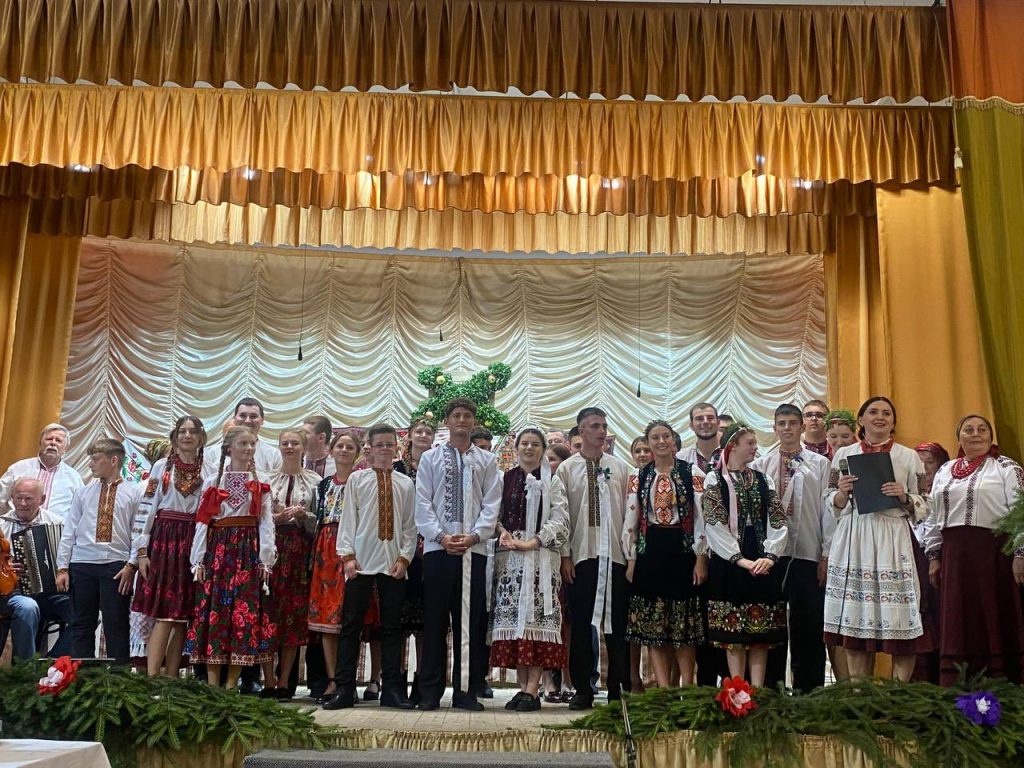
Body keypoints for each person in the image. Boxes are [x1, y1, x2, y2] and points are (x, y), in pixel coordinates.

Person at [823, 396, 932, 681]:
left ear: (893, 421)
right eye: (873, 412)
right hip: (854, 535)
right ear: (861, 419)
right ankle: (860, 694)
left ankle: (897, 695)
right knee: (857, 620)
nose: (880, 417)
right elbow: (829, 499)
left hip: (892, 536)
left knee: (900, 618)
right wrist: (842, 493)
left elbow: (926, 503)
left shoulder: (908, 456)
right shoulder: (844, 453)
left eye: (886, 413)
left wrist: (904, 496)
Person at [415, 398, 502, 711]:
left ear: (474, 421)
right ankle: (429, 692)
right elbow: (422, 501)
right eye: (456, 415)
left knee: (469, 623)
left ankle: (465, 691)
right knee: (435, 621)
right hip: (438, 550)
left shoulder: (487, 461)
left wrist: (475, 535)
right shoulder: (430, 458)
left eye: (467, 415)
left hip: (473, 550)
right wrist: (440, 536)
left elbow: (491, 503)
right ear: (447, 421)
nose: (462, 420)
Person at [926, 415, 1024, 686]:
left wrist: (1020, 553)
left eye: (982, 429)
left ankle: (1000, 682)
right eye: (968, 430)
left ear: (991, 436)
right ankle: (957, 683)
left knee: (991, 615)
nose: (975, 434)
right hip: (954, 556)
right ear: (959, 438)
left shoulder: (1005, 467)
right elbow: (934, 514)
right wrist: (934, 556)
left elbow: (1020, 511)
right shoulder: (946, 470)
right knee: (958, 617)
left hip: (994, 554)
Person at [326, 424, 417, 710]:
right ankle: (344, 688)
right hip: (360, 562)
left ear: (396, 447)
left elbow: (409, 525)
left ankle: (392, 689)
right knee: (351, 626)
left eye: (390, 444)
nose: (385, 449)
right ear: (370, 448)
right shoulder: (357, 479)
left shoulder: (405, 483)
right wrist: (347, 556)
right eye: (380, 444)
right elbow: (348, 519)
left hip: (393, 563)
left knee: (392, 628)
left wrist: (404, 558)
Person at [187, 426, 277, 689]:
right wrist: (198, 560)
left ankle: (231, 683)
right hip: (219, 552)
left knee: (243, 613)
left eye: (252, 444)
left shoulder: (260, 483)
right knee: (215, 612)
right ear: (229, 448)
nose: (249, 448)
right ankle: (213, 682)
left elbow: (266, 523)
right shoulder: (213, 482)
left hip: (247, 553)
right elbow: (203, 522)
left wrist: (265, 559)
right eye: (243, 444)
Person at [752, 404, 832, 692]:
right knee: (772, 624)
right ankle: (771, 690)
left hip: (808, 552)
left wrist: (826, 553)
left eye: (792, 423)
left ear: (802, 427)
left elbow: (828, 511)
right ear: (774, 428)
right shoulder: (761, 465)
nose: (787, 428)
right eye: (782, 423)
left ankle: (809, 691)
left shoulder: (819, 464)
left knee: (808, 624)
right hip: (771, 556)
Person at [701, 423, 788, 688]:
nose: (754, 448)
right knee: (733, 634)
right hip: (729, 561)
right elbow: (714, 523)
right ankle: (737, 690)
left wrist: (770, 555)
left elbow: (777, 518)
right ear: (733, 446)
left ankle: (757, 690)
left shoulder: (763, 479)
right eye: (750, 443)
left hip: (760, 558)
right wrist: (740, 559)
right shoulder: (714, 480)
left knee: (760, 634)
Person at [556, 407, 631, 710]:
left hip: (615, 556)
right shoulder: (567, 469)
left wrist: (630, 557)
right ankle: (583, 689)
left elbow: (630, 516)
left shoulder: (621, 468)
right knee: (582, 623)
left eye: (604, 425)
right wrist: (565, 555)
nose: (601, 431)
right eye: (595, 426)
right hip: (582, 556)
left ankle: (618, 689)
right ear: (581, 431)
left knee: (616, 625)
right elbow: (561, 515)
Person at [489, 429, 569, 712]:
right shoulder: (505, 478)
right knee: (517, 625)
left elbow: (560, 520)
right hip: (510, 561)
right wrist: (503, 532)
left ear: (543, 449)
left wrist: (532, 542)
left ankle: (533, 689)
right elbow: (494, 514)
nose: (529, 448)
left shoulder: (552, 481)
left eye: (535, 444)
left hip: (540, 559)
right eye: (525, 443)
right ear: (516, 447)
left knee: (536, 621)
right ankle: (523, 688)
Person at [623, 420, 706, 687]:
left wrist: (701, 558)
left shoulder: (692, 473)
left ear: (673, 441)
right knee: (653, 624)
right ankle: (663, 688)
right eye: (655, 438)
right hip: (651, 551)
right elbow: (631, 519)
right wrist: (631, 559)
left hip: (682, 551)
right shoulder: (639, 476)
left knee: (683, 624)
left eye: (666, 436)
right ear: (648, 443)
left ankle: (687, 686)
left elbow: (702, 518)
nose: (661, 442)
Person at [55, 438, 143, 663]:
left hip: (116, 565)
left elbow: (139, 532)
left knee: (116, 623)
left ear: (113, 460)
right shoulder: (83, 493)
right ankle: (83, 674)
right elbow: (69, 531)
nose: (91, 464)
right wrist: (62, 567)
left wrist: (131, 565)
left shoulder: (133, 493)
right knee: (81, 623)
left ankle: (118, 677)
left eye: (95, 459)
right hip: (82, 563)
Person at [132, 416, 206, 676]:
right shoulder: (162, 467)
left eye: (192, 431)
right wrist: (142, 551)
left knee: (182, 615)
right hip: (164, 539)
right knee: (164, 613)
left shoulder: (209, 467)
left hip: (193, 539)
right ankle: (153, 677)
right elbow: (147, 506)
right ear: (175, 437)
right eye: (182, 431)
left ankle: (172, 677)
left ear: (201, 437)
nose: (187, 436)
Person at [263, 428, 320, 699]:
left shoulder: (315, 481)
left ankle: (285, 680)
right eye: (285, 442)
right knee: (267, 613)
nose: (289, 447)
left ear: (303, 447)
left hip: (299, 553)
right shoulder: (267, 479)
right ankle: (268, 680)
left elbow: (320, 520)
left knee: (293, 616)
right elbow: (257, 517)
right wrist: (274, 519)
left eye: (294, 443)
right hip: (271, 553)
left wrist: (303, 515)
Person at [309, 429, 361, 704]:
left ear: (358, 453)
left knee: (350, 617)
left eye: (350, 447)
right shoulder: (323, 485)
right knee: (327, 619)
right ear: (331, 450)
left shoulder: (362, 481)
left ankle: (348, 679)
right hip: (326, 550)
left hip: (353, 547)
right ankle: (333, 680)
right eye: (339, 446)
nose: (344, 450)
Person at [1, 478, 73, 659]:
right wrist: (6, 569)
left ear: (42, 499)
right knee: (28, 607)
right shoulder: (2, 524)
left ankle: (49, 663)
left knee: (85, 612)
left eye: (29, 499)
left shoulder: (58, 524)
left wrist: (64, 571)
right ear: (12, 498)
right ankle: (25, 669)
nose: (23, 504)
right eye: (19, 498)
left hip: (49, 593)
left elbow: (70, 559)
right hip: (12, 593)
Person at [393, 418, 436, 703]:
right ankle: (396, 680)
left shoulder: (436, 466)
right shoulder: (396, 469)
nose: (423, 435)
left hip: (429, 549)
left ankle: (422, 680)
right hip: (399, 548)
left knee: (424, 622)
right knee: (397, 621)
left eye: (428, 432)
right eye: (418, 431)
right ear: (409, 436)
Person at [0, 424, 84, 518]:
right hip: (16, 525)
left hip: (55, 526)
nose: (53, 443)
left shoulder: (74, 477)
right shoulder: (18, 469)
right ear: (40, 443)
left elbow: (80, 510)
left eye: (58, 440)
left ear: (65, 449)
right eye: (49, 439)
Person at [201, 398, 282, 478]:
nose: (247, 421)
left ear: (262, 420)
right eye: (242, 415)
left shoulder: (274, 455)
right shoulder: (210, 454)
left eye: (253, 416)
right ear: (234, 418)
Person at [676, 403, 722, 475]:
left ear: (718, 423)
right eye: (699, 419)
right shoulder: (682, 457)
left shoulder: (732, 454)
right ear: (691, 426)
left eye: (710, 418)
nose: (705, 421)